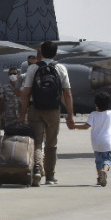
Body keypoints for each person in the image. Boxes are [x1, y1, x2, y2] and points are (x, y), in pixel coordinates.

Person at [18, 40, 77, 186]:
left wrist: (22, 113)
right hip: (53, 111)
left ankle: (37, 169)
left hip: (36, 109)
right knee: (51, 144)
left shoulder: (32, 68)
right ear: (56, 53)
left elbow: (26, 93)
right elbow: (67, 93)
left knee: (37, 142)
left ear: (41, 53)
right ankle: (50, 176)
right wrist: (70, 115)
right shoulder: (61, 68)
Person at [89, 91, 111, 186]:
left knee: (98, 161)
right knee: (107, 159)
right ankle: (104, 171)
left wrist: (74, 126)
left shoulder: (93, 114)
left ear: (96, 103)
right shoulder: (110, 113)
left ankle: (99, 176)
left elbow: (86, 125)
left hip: (96, 142)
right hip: (107, 141)